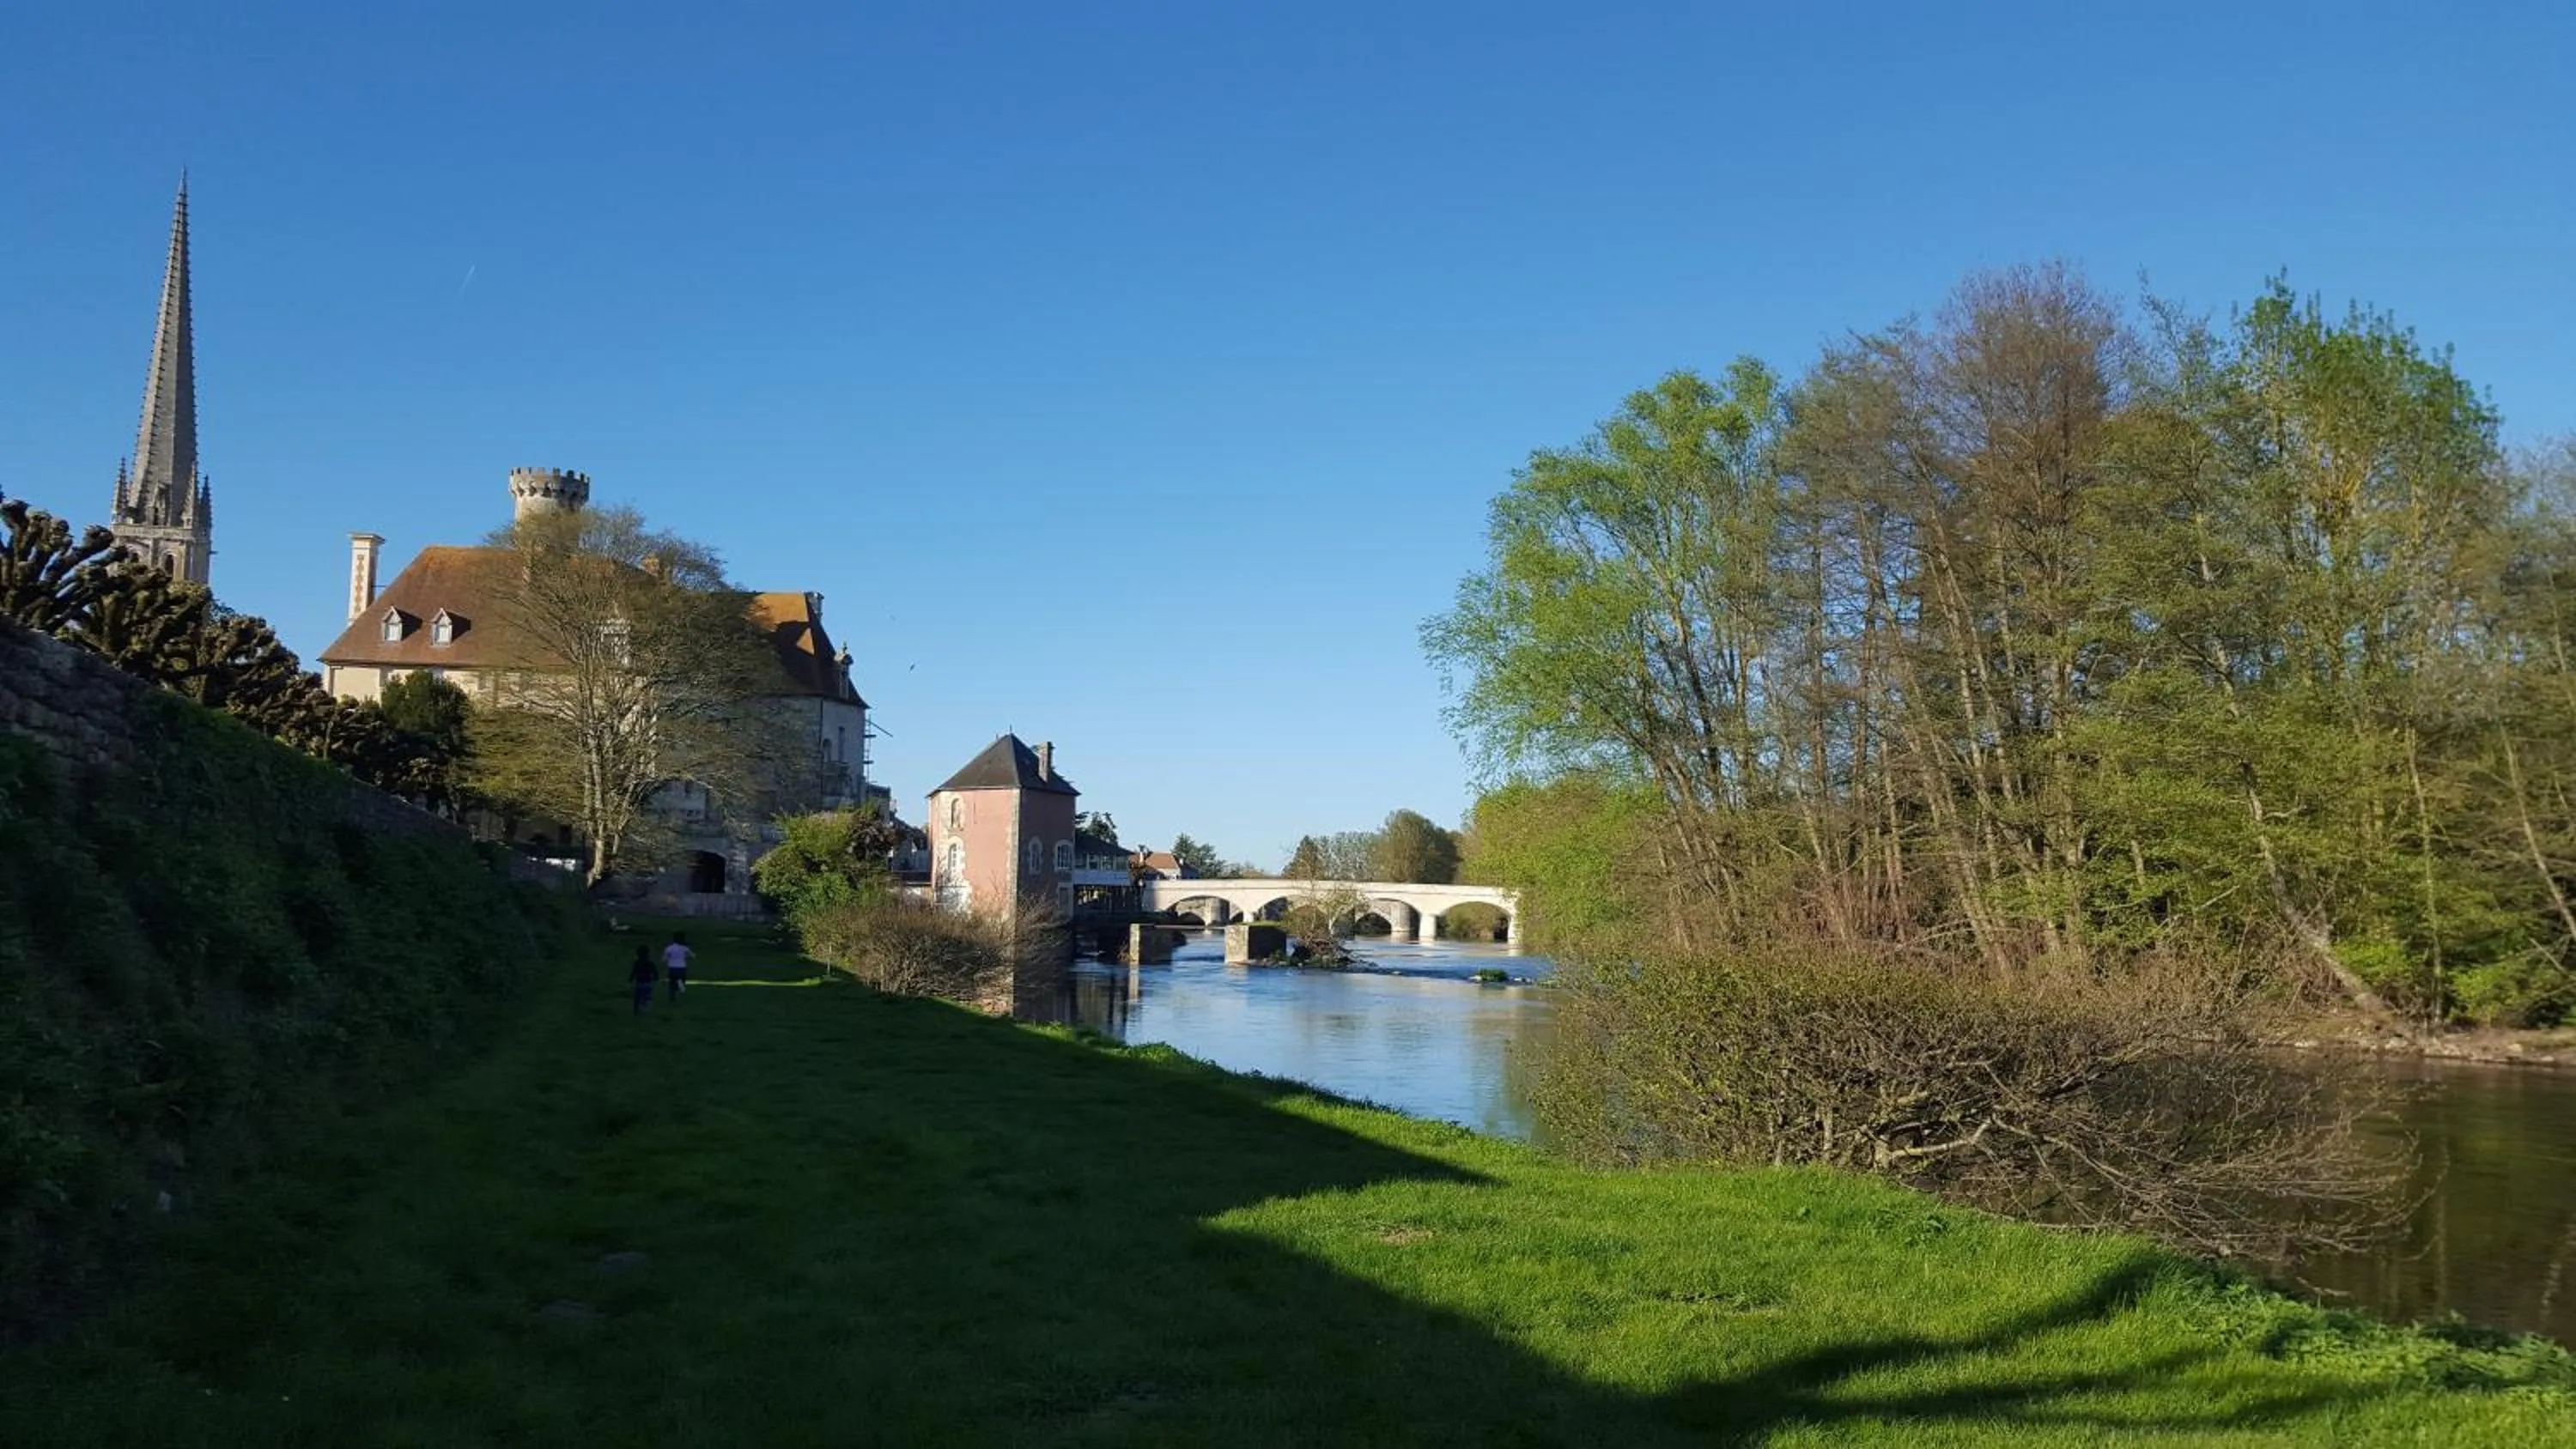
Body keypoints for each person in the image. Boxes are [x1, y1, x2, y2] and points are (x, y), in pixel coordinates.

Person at [663, 931, 693, 1003]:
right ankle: (680, 985)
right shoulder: (684, 948)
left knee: (671, 984)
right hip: (682, 967)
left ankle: (672, 998)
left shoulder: (669, 948)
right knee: (682, 980)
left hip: (672, 967)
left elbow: (664, 959)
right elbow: (692, 956)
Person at [627, 944, 656, 1016]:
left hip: (639, 982)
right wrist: (656, 979)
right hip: (648, 982)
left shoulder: (637, 963)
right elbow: (655, 972)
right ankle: (645, 1011)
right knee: (646, 998)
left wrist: (630, 980)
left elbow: (634, 972)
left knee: (637, 998)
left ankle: (636, 1012)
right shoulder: (650, 963)